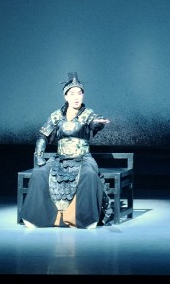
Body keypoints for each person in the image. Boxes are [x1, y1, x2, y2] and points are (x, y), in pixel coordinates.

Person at [21, 72, 112, 228]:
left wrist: (99, 121)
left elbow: (94, 121)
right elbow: (42, 135)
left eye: (79, 93)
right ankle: (37, 217)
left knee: (89, 175)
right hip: (60, 159)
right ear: (66, 96)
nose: (76, 97)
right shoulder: (56, 116)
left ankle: (83, 218)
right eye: (72, 93)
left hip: (83, 158)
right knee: (39, 174)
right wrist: (39, 156)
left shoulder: (88, 114)